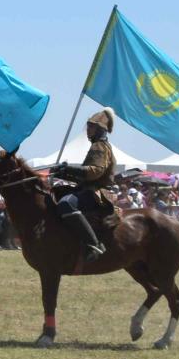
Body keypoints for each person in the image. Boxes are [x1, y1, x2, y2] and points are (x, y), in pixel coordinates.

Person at [49, 109, 115, 260]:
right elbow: (85, 177)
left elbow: (95, 172)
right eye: (88, 126)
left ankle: (94, 245)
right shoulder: (97, 146)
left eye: (91, 127)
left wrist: (69, 168)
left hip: (97, 194)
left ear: (100, 130)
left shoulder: (100, 146)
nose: (88, 130)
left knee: (66, 204)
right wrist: (63, 173)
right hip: (88, 189)